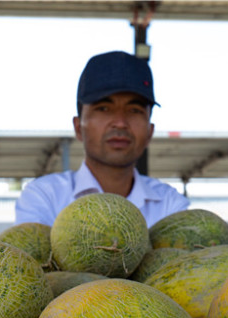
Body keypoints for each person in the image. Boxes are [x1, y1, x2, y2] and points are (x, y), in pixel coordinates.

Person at [14, 51, 189, 226]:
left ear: (150, 131)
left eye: (135, 110)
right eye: (104, 108)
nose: (120, 123)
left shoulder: (170, 203)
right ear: (78, 127)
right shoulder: (44, 196)